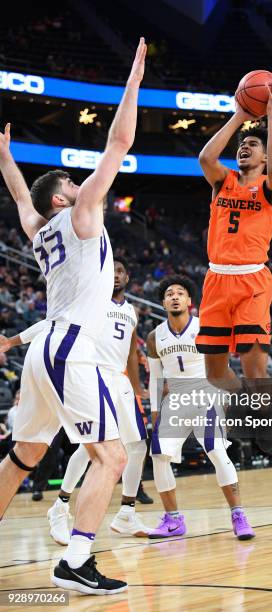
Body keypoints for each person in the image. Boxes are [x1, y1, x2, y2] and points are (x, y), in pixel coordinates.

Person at [0, 37, 147, 595]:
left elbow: (20, 199)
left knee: (24, 455)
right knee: (109, 456)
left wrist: (7, 161)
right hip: (70, 348)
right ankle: (75, 560)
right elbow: (120, 140)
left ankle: (71, 553)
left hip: (45, 352)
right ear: (64, 198)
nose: (79, 182)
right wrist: (133, 81)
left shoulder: (41, 230)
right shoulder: (83, 213)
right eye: (70, 182)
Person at [0, 258, 151, 541]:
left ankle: (127, 513)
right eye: (111, 271)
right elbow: (50, 323)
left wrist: (137, 386)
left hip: (119, 381)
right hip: (89, 372)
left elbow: (130, 352)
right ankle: (60, 505)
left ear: (128, 277)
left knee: (137, 447)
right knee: (91, 449)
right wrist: (12, 341)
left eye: (121, 271)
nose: (116, 276)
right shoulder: (91, 299)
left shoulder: (132, 311)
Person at [147, 275, 254, 540]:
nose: (174, 296)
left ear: (189, 301)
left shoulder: (205, 327)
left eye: (179, 293)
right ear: (163, 302)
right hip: (175, 400)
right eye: (169, 293)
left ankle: (238, 514)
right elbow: (154, 378)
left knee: (216, 451)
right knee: (159, 456)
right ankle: (173, 520)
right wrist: (154, 411)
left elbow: (221, 366)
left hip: (206, 394)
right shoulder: (154, 336)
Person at [195, 80, 272, 390]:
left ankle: (267, 430)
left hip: (252, 282)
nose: (244, 147)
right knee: (214, 373)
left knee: (255, 372)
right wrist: (240, 115)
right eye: (241, 145)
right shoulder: (223, 180)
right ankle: (248, 411)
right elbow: (206, 158)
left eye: (252, 145)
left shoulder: (271, 187)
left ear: (265, 157)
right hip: (216, 279)